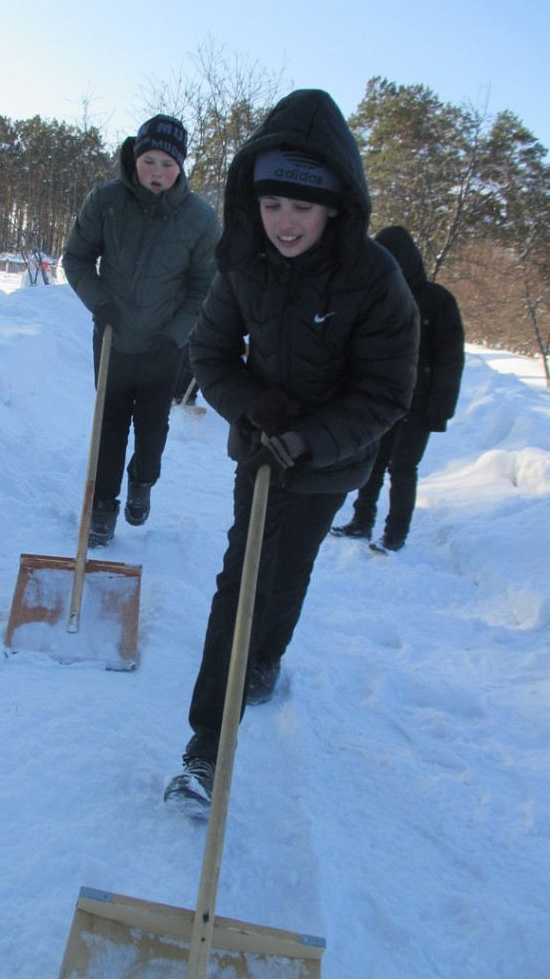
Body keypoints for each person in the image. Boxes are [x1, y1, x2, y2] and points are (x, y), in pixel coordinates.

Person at [163, 89, 420, 817]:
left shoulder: (376, 280)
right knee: (240, 579)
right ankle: (206, 748)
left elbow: (386, 392)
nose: (284, 221)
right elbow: (209, 351)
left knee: (287, 573)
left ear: (335, 206)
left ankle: (268, 655)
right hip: (261, 451)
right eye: (272, 203)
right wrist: (254, 408)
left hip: (331, 460)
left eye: (302, 207)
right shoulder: (244, 263)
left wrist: (307, 437)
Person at [62, 115, 220, 546]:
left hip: (164, 344)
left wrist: (175, 335)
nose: (157, 172)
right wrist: (100, 304)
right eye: (148, 160)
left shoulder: (200, 219)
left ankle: (143, 480)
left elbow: (205, 288)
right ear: (135, 158)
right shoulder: (107, 201)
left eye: (167, 164)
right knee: (109, 423)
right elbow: (76, 259)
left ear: (181, 166)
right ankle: (102, 506)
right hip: (112, 335)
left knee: (151, 428)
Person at [331, 225, 465, 552]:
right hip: (382, 398)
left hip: (420, 402)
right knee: (373, 462)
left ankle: (395, 534)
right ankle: (361, 522)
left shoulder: (437, 300)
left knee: (403, 468)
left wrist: (440, 411)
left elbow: (450, 360)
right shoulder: (377, 296)